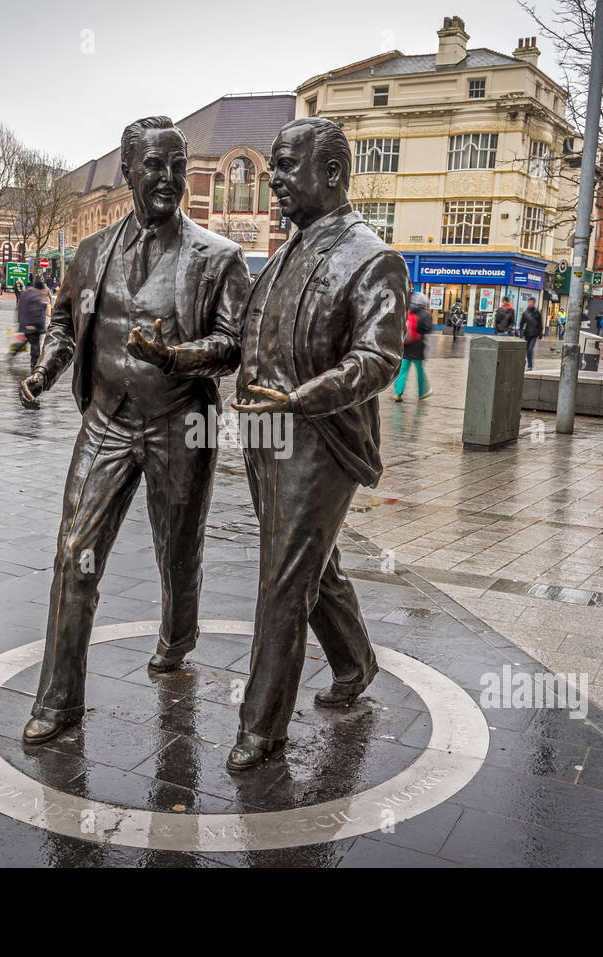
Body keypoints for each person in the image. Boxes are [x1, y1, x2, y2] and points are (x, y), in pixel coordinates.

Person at [16, 116, 251, 747]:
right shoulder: (92, 254)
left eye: (177, 165)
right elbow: (65, 323)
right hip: (107, 423)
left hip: (183, 424)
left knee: (178, 552)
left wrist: (178, 357)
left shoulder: (218, 258)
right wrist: (45, 368)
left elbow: (234, 346)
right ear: (128, 172)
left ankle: (178, 638)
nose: (168, 178)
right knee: (74, 554)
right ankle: (60, 699)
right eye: (155, 165)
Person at [227, 117, 407, 771]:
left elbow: (378, 359)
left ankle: (262, 726)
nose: (271, 179)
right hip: (265, 435)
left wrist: (302, 398)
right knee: (312, 565)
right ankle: (355, 662)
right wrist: (178, 354)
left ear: (330, 174)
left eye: (283, 166)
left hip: (323, 439)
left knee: (281, 579)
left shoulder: (372, 257)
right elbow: (246, 339)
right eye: (270, 165)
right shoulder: (283, 253)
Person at [394, 291, 432, 402]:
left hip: (406, 345)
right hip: (418, 347)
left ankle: (398, 393)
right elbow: (428, 329)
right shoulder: (425, 315)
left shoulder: (408, 312)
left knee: (402, 371)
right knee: (420, 371)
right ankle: (422, 393)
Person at [15, 276, 47, 372]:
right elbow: (36, 312)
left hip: (25, 324)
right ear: (39, 289)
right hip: (33, 326)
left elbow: (19, 309)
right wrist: (37, 325)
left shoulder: (25, 294)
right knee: (35, 346)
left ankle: (13, 353)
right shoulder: (36, 297)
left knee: (26, 341)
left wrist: (21, 322)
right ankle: (34, 364)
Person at [519, 295, 543, 370]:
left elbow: (540, 324)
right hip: (527, 334)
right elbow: (521, 323)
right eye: (529, 302)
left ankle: (530, 365)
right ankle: (528, 364)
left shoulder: (537, 313)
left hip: (534, 334)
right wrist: (521, 332)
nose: (530, 303)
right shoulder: (525, 313)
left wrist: (540, 333)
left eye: (532, 302)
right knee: (527, 350)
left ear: (534, 303)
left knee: (530, 349)